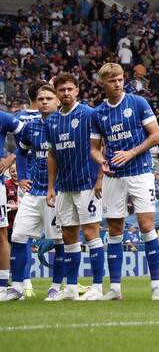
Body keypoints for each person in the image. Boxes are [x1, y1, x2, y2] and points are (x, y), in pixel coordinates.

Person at [90, 63, 159, 300]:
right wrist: (102, 161)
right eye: (112, 81)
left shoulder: (138, 103)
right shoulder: (98, 113)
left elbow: (156, 135)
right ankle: (115, 288)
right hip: (113, 177)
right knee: (114, 230)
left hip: (140, 172)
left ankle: (156, 286)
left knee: (146, 226)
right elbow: (94, 148)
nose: (118, 84)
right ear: (103, 83)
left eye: (120, 79)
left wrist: (131, 153)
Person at [43, 72, 105, 301]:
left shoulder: (89, 114)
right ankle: (70, 288)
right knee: (68, 236)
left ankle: (97, 287)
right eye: (62, 90)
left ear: (77, 90)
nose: (66, 93)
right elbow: (52, 155)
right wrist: (51, 187)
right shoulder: (51, 121)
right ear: (56, 94)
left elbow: (102, 146)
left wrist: (100, 178)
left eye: (70, 89)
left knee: (90, 233)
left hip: (87, 184)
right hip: (64, 186)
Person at [2, 85, 64, 301]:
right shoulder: (32, 127)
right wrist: (22, 177)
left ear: (57, 101)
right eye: (41, 99)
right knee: (18, 236)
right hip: (33, 191)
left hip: (57, 194)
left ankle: (56, 287)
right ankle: (17, 288)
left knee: (58, 241)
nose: (44, 102)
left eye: (49, 98)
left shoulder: (65, 126)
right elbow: (22, 150)